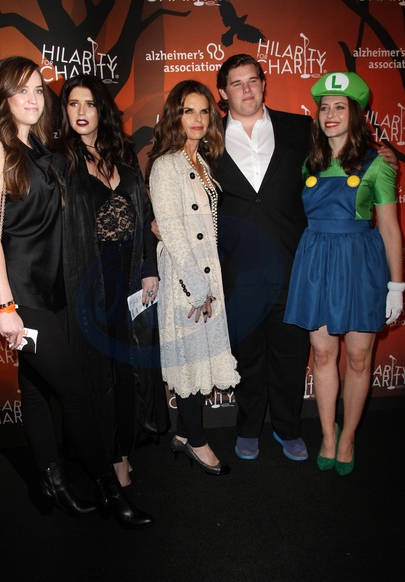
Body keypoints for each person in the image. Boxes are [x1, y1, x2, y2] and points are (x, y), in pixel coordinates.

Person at [0, 56, 153, 529]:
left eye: (38, 89)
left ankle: (51, 482)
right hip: (24, 296)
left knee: (35, 389)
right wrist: (6, 306)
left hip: (58, 290)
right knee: (76, 392)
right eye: (21, 90)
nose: (33, 99)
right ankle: (110, 491)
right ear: (3, 96)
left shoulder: (40, 146)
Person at [213, 54, 398, 464]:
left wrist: (382, 152)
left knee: (291, 355)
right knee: (247, 354)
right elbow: (178, 173)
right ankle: (248, 428)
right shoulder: (208, 137)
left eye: (253, 80)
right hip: (238, 268)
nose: (246, 89)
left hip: (295, 264)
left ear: (264, 84)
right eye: (236, 83)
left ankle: (288, 428)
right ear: (223, 93)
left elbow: (345, 141)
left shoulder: (300, 128)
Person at [284, 72, 403, 475]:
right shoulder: (308, 162)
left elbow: (390, 229)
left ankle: (348, 435)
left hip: (360, 265)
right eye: (324, 107)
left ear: (355, 114)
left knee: (357, 357)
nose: (330, 114)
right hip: (317, 262)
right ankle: (328, 435)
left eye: (340, 107)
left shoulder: (378, 163)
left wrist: (396, 286)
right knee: (322, 354)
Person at [56, 73, 169, 488]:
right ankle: (111, 457)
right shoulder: (60, 162)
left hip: (129, 276)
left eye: (89, 104)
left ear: (101, 109)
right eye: (73, 104)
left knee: (125, 368)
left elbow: (143, 217)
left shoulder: (121, 156)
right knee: (98, 373)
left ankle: (123, 447)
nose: (81, 112)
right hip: (90, 281)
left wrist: (149, 268)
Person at [146, 80, 240, 476]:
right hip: (186, 278)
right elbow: (170, 229)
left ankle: (184, 433)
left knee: (198, 354)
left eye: (204, 111)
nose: (198, 119)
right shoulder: (166, 164)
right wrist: (198, 290)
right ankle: (197, 441)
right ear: (175, 116)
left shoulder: (201, 161)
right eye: (189, 111)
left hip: (206, 272)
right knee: (189, 357)